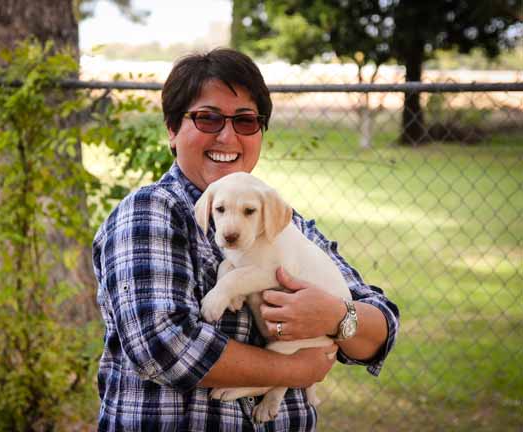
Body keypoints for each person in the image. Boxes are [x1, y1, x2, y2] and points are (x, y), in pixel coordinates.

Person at [92, 48, 400, 431]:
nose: (227, 136)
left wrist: (337, 316)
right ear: (172, 129)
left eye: (246, 120)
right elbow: (162, 346)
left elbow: (380, 329)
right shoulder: (150, 211)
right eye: (207, 118)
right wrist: (292, 369)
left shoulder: (283, 220)